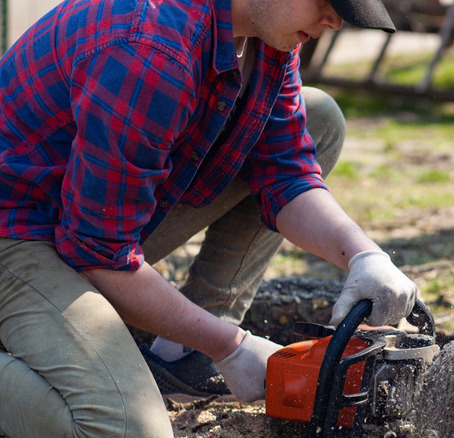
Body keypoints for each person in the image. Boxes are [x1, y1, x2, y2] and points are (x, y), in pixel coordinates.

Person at [0, 0, 418, 435]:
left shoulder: (263, 32)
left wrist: (366, 257)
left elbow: (284, 170)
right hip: (16, 232)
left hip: (84, 218)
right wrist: (231, 347)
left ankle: (180, 350)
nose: (334, 20)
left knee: (318, 117)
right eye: (326, 2)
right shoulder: (153, 48)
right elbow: (98, 250)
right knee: (123, 428)